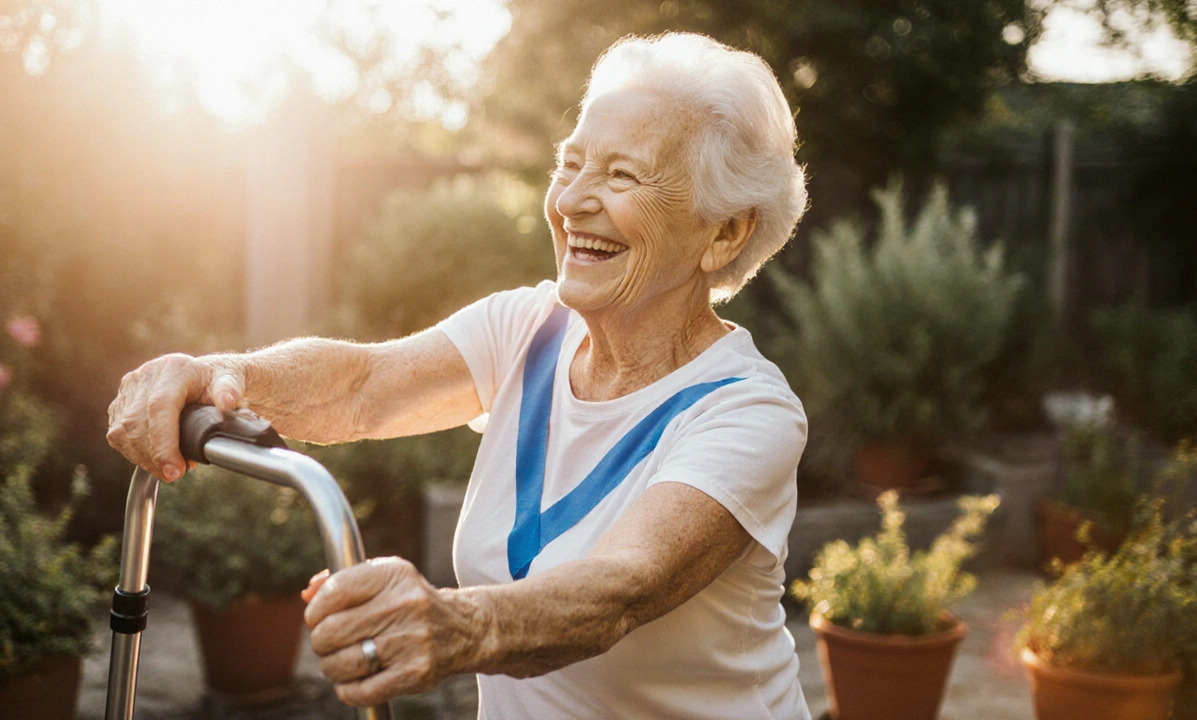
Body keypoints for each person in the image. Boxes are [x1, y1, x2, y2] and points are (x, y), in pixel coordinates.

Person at [107, 32, 810, 719]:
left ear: (725, 232)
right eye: (570, 166)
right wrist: (217, 375)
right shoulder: (527, 329)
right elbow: (362, 388)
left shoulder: (746, 412)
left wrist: (459, 625)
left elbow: (620, 589)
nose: (569, 203)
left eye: (622, 175)